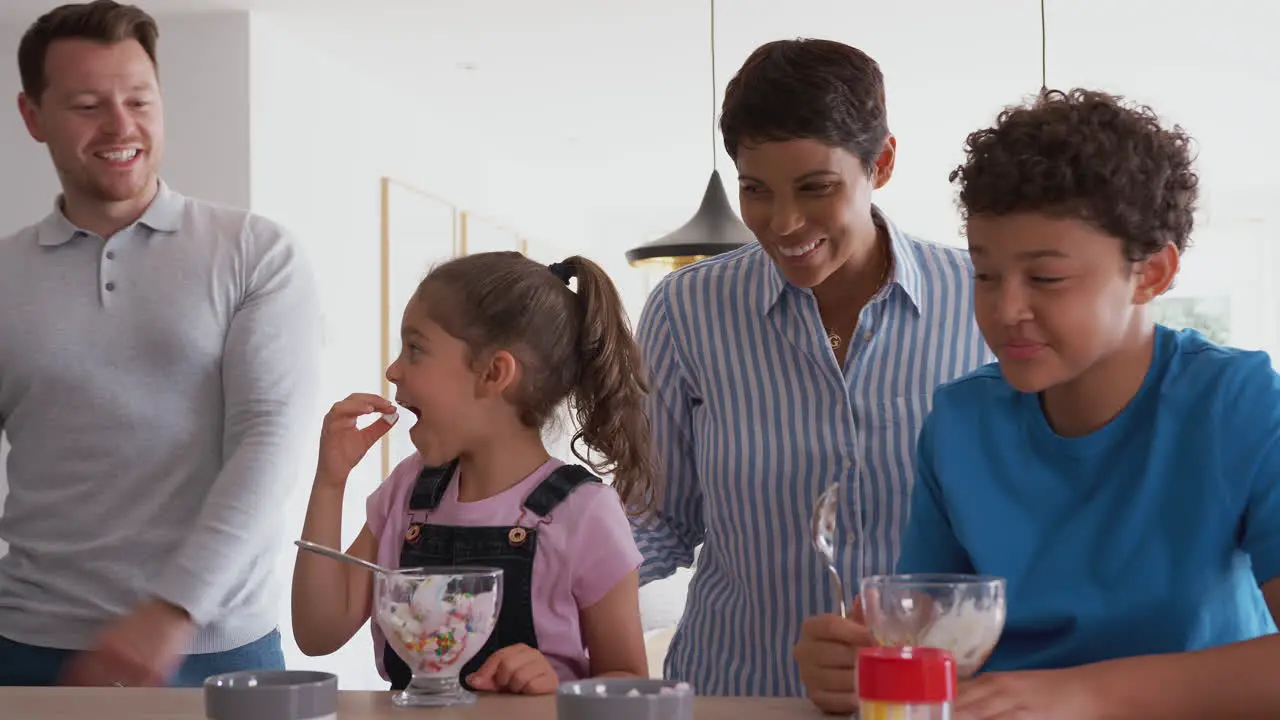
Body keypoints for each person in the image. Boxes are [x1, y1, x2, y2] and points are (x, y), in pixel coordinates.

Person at [795, 88, 1280, 718]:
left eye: (1046, 278)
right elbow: (924, 644)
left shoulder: (1239, 405)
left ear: (1152, 274)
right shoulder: (960, 424)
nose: (1005, 310)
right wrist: (853, 663)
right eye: (986, 274)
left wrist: (1085, 693)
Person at [630, 38, 993, 697]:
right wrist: (541, 569)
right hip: (734, 695)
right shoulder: (686, 310)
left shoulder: (980, 299)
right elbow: (659, 517)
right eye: (755, 190)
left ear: (880, 163)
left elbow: (1017, 524)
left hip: (928, 699)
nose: (783, 222)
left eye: (816, 187)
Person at [0, 1, 322, 687]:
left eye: (139, 100)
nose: (121, 127)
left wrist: (172, 610)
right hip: (33, 644)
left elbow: (268, 438)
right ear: (33, 116)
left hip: (219, 647)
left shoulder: (255, 252)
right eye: (87, 105)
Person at [292, 252, 652, 695]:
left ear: (494, 373)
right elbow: (317, 633)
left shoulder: (584, 513)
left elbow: (629, 681)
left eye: (415, 348)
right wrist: (330, 482)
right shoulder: (408, 490)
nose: (393, 370)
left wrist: (553, 689)